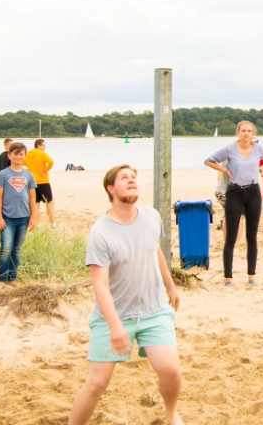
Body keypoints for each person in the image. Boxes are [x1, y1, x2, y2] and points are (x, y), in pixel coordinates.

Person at [68, 165, 183, 425]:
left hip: (153, 311)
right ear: (111, 189)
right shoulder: (101, 232)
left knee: (171, 370)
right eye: (124, 178)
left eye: (133, 177)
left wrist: (171, 286)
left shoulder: (151, 216)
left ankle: (171, 414)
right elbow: (100, 285)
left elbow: (154, 251)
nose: (131, 181)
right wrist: (115, 325)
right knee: (97, 383)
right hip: (113, 316)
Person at [205, 121, 263, 286]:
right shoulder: (230, 148)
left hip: (253, 192)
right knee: (231, 238)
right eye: (243, 131)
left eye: (249, 131)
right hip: (234, 191)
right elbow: (209, 160)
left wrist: (260, 170)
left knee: (252, 237)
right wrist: (225, 170)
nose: (246, 133)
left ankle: (251, 276)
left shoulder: (258, 148)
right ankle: (228, 278)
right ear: (238, 132)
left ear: (252, 133)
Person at [0, 142, 39, 289]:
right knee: (6, 247)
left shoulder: (29, 175)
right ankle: (1, 279)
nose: (18, 157)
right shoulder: (3, 174)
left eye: (21, 154)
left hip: (24, 217)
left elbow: (32, 197)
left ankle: (12, 277)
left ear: (25, 156)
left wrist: (33, 217)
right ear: (9, 155)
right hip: (7, 217)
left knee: (17, 249)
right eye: (15, 154)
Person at [24, 139, 58, 230]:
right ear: (38, 145)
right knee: (49, 203)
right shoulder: (41, 153)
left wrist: (28, 169)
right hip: (43, 181)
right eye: (43, 145)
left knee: (35, 204)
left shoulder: (27, 155)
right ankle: (53, 224)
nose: (44, 147)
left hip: (32, 181)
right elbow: (51, 162)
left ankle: (37, 225)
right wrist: (45, 171)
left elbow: (21, 163)